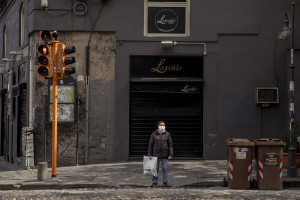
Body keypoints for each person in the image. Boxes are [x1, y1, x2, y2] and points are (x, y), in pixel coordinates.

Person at [148, 121, 173, 187]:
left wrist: (170, 153)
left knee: (165, 168)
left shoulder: (167, 134)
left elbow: (170, 144)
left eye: (163, 125)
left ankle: (165, 182)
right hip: (155, 154)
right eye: (161, 125)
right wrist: (150, 154)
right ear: (158, 126)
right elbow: (150, 144)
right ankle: (154, 181)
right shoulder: (154, 134)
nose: (162, 126)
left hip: (165, 154)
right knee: (155, 169)